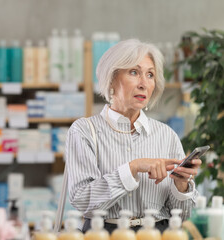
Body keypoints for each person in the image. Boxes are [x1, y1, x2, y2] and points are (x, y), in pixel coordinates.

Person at [65, 39, 200, 234]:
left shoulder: (166, 135)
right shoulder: (84, 130)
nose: (143, 84)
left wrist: (181, 184)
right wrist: (133, 168)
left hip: (158, 234)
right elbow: (83, 200)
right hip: (104, 234)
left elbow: (183, 216)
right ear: (111, 78)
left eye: (150, 75)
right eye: (134, 72)